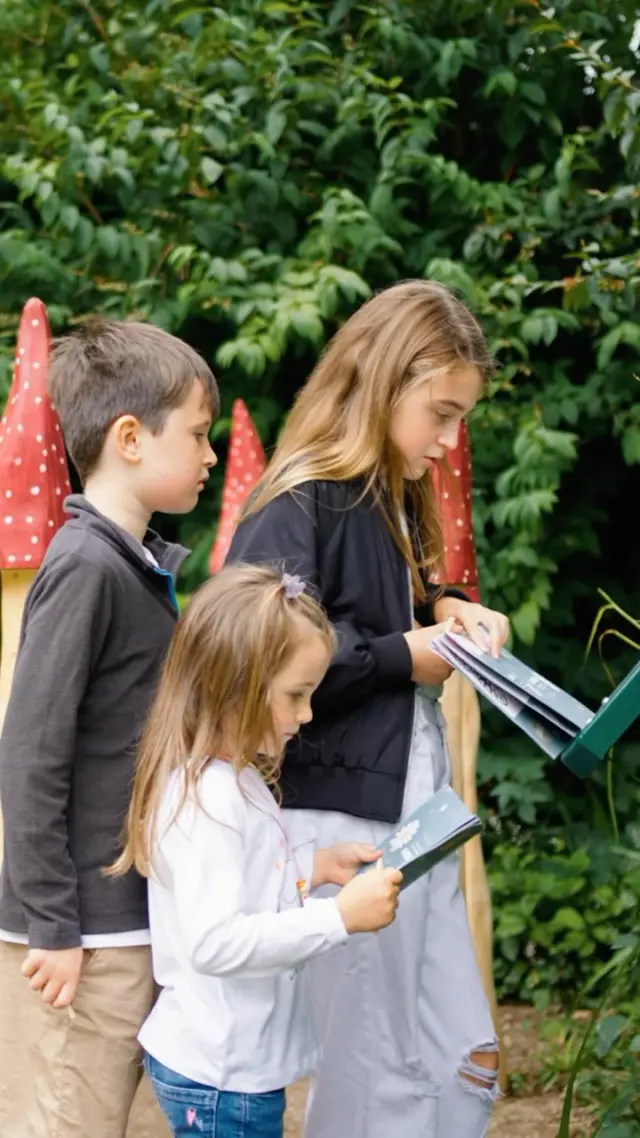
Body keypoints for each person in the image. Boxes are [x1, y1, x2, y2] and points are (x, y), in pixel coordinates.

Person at [226, 280, 510, 1138]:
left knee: (463, 1056)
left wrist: (445, 607)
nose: (451, 439)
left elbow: (370, 614)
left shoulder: (389, 491)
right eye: (442, 412)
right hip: (342, 817)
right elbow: (261, 651)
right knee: (379, 1062)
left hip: (411, 807)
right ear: (388, 379)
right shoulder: (299, 496)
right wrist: (404, 654)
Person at [0, 320, 219, 1138]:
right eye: (197, 434)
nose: (207, 454)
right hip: (77, 941)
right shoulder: (85, 565)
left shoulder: (133, 564)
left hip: (121, 922)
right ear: (129, 437)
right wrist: (55, 926)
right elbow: (29, 753)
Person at [111, 562, 403, 1138]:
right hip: (221, 1076)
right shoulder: (211, 798)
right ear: (234, 685)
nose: (307, 714)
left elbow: (242, 882)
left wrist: (313, 867)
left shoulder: (233, 778)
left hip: (229, 1067)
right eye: (295, 695)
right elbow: (216, 942)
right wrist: (337, 918)